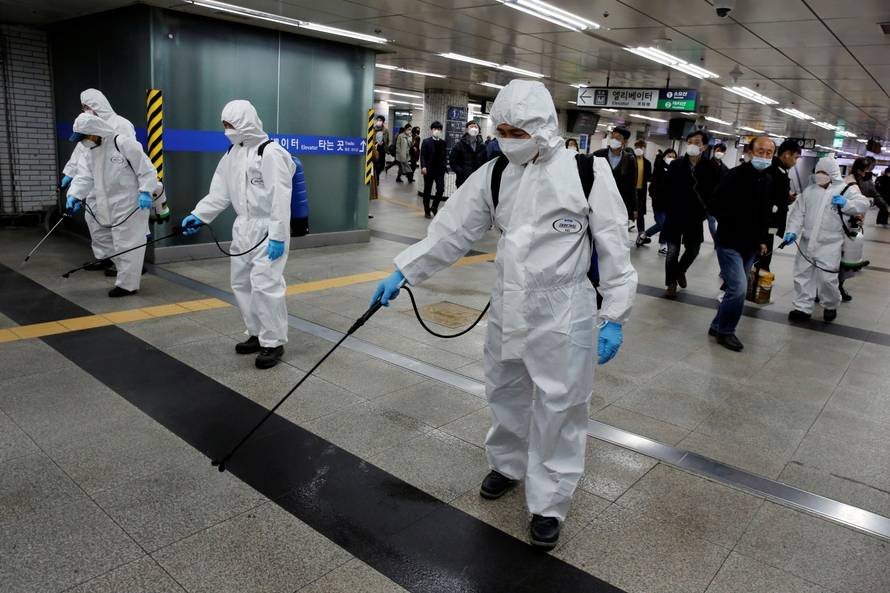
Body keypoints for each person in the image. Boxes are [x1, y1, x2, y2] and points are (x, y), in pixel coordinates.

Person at [370, 80, 636, 549]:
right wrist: (403, 271)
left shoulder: (586, 172)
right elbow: (451, 231)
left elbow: (614, 244)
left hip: (564, 307)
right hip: (509, 302)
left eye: (518, 130)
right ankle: (508, 466)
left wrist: (614, 314)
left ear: (541, 128)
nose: (508, 138)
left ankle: (550, 502)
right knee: (505, 391)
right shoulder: (495, 173)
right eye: (503, 130)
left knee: (560, 405)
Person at [180, 100, 296, 369]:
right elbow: (219, 192)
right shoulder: (233, 153)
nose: (227, 131)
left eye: (230, 125)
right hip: (243, 226)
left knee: (266, 284)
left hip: (268, 228)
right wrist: (199, 215)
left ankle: (273, 342)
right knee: (241, 282)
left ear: (245, 122)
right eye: (224, 126)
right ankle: (256, 333)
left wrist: (278, 235)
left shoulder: (271, 153)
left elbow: (281, 198)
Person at [66, 113, 158, 297]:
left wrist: (146, 192)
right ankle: (123, 276)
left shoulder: (123, 143)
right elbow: (84, 176)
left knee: (128, 244)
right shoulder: (88, 152)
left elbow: (146, 170)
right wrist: (74, 195)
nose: (83, 142)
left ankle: (128, 285)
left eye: (84, 137)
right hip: (105, 204)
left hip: (131, 204)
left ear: (95, 132)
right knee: (115, 243)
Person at [707, 136, 776, 351]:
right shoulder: (734, 176)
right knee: (738, 288)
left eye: (769, 153)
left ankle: (717, 324)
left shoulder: (767, 180)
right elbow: (714, 205)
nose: (764, 156)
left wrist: (763, 239)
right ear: (750, 152)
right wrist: (733, 221)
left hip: (751, 245)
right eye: (761, 151)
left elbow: (765, 214)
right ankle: (726, 332)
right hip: (729, 241)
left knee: (736, 288)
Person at [61, 89, 137, 273]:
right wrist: (69, 174)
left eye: (88, 106)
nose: (86, 110)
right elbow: (81, 152)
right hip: (94, 185)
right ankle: (105, 258)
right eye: (83, 107)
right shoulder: (87, 125)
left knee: (122, 228)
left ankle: (131, 265)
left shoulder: (121, 124)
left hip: (117, 184)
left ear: (98, 104)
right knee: (95, 222)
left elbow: (133, 155)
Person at [785, 156, 869, 323]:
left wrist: (846, 203)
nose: (820, 175)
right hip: (807, 242)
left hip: (830, 244)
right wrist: (792, 231)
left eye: (824, 172)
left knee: (827, 279)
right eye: (818, 172)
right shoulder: (810, 191)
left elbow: (864, 203)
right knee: (802, 275)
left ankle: (830, 304)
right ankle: (802, 308)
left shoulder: (846, 190)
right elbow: (798, 214)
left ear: (833, 173)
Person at [661, 130, 720, 297]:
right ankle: (671, 283)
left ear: (704, 146)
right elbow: (666, 187)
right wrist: (667, 205)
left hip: (694, 217)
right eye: (690, 142)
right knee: (672, 251)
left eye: (697, 142)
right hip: (674, 215)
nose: (693, 145)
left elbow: (714, 192)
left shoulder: (710, 167)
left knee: (693, 250)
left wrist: (708, 210)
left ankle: (680, 271)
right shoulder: (676, 164)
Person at [837, 157, 877, 302]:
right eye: (867, 170)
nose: (868, 173)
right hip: (844, 226)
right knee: (842, 259)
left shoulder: (855, 181)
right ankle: (837, 287)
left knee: (842, 258)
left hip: (848, 225)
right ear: (860, 170)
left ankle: (834, 287)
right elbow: (851, 205)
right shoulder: (851, 183)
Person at [759, 139, 802, 271]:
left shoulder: (781, 171)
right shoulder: (773, 171)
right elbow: (765, 198)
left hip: (771, 224)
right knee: (761, 257)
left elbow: (776, 195)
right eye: (795, 158)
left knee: (764, 256)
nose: (795, 162)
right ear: (787, 154)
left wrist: (786, 199)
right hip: (765, 223)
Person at [593, 127, 637, 226]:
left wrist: (634, 208)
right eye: (613, 137)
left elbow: (632, 185)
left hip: (620, 201)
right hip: (600, 199)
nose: (614, 140)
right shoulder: (598, 154)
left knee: (617, 229)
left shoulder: (629, 159)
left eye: (618, 138)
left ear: (625, 141)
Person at [638, 148, 675, 252]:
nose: (671, 158)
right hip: (659, 203)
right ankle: (645, 235)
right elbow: (652, 187)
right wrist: (656, 197)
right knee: (661, 224)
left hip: (670, 203)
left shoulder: (675, 170)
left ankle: (662, 245)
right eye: (669, 156)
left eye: (673, 156)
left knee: (666, 225)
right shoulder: (659, 169)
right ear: (664, 157)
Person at [419, 122, 447, 218]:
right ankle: (427, 210)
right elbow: (422, 155)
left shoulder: (443, 143)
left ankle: (434, 206)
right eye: (435, 129)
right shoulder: (426, 141)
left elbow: (444, 156)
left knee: (440, 189)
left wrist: (445, 166)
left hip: (440, 170)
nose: (437, 131)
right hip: (429, 170)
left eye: (439, 129)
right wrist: (423, 166)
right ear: (431, 130)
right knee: (427, 190)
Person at [449, 120, 488, 188]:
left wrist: (482, 173)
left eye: (476, 127)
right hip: (463, 179)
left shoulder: (483, 146)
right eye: (471, 127)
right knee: (462, 198)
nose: (474, 128)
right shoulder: (459, 145)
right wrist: (461, 172)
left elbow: (485, 161)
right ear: (466, 129)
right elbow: (452, 161)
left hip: (478, 179)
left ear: (479, 130)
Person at [706, 143, 730, 243]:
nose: (719, 153)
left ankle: (718, 241)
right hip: (705, 199)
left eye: (722, 151)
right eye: (718, 150)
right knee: (711, 221)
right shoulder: (705, 165)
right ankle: (717, 242)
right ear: (714, 150)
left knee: (719, 221)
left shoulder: (725, 168)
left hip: (717, 201)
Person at [632, 139, 652, 241]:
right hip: (630, 191)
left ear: (644, 149)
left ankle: (641, 235)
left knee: (640, 214)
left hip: (641, 192)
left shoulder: (647, 163)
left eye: (641, 147)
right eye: (637, 147)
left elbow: (649, 177)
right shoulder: (630, 159)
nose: (639, 149)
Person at [372, 115, 390, 184]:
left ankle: (377, 174)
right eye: (377, 120)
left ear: (383, 122)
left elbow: (387, 140)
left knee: (382, 165)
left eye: (380, 120)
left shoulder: (385, 130)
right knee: (375, 164)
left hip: (382, 149)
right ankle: (376, 179)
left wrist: (386, 147)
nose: (378, 122)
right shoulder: (373, 129)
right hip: (374, 148)